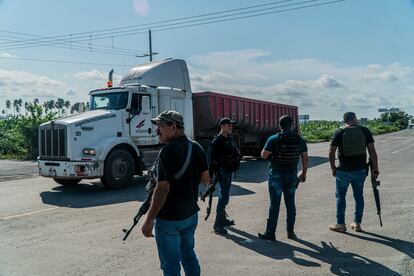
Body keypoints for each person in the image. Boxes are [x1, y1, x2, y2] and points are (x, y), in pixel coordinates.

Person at [141, 110, 211, 276]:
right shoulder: (197, 147)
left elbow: (163, 188)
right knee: (188, 256)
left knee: (170, 265)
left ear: (173, 127)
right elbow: (205, 179)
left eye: (161, 127)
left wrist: (149, 219)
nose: (157, 131)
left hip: (169, 219)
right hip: (190, 215)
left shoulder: (167, 151)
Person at [258, 115, 308, 241]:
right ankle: (290, 232)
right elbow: (305, 157)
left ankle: (270, 233)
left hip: (276, 175)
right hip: (291, 175)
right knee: (290, 204)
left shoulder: (274, 138)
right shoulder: (299, 139)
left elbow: (264, 155)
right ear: (292, 125)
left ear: (279, 125)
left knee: (274, 205)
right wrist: (304, 174)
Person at [329, 112, 379, 233]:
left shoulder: (339, 132)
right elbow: (372, 151)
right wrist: (375, 168)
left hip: (343, 171)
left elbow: (331, 152)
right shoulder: (364, 131)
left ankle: (340, 224)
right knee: (358, 196)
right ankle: (357, 223)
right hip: (360, 170)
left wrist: (333, 168)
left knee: (340, 196)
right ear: (355, 119)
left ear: (344, 120)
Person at [208, 117, 241, 235]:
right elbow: (211, 160)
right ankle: (218, 224)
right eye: (228, 125)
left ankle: (223, 219)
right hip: (221, 172)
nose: (231, 127)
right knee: (224, 197)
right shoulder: (217, 141)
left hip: (228, 171)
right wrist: (210, 178)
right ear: (222, 126)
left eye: (231, 125)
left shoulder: (229, 139)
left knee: (225, 196)